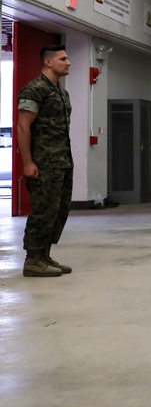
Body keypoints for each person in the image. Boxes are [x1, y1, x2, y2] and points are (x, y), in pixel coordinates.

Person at [17, 44, 74, 278]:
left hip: (62, 161)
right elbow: (23, 126)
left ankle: (44, 255)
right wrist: (28, 162)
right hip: (43, 162)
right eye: (63, 59)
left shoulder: (61, 91)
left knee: (57, 211)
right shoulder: (35, 89)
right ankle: (32, 260)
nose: (68, 62)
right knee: (42, 211)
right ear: (48, 62)